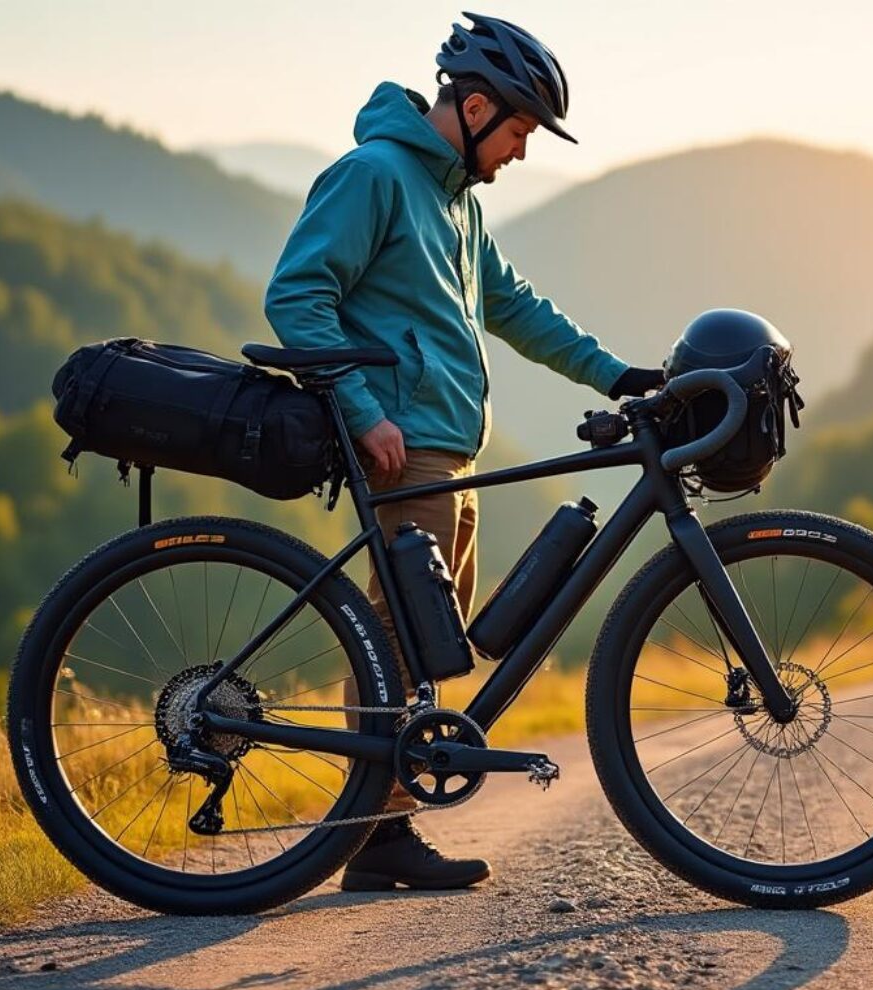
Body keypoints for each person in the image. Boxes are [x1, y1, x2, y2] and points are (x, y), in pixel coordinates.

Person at [264, 12, 665, 892]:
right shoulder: (374, 176)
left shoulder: (457, 203)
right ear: (476, 106)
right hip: (404, 451)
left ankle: (385, 831)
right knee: (397, 644)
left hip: (453, 454)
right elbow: (297, 296)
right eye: (520, 129)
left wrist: (613, 375)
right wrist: (363, 412)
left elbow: (513, 306)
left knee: (430, 648)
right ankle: (377, 837)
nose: (523, 150)